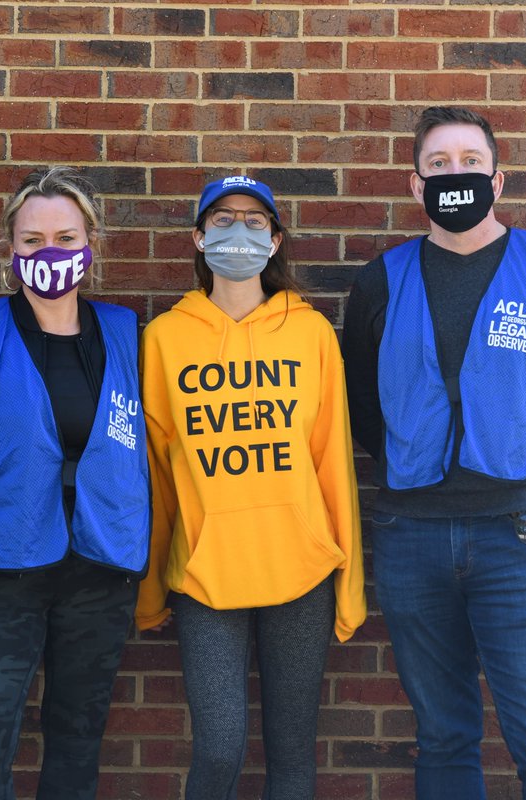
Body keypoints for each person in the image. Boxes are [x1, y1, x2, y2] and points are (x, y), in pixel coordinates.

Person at [342, 106, 526, 800]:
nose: (455, 176)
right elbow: (357, 407)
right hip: (410, 539)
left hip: (516, 538)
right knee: (443, 737)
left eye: (469, 162)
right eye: (438, 164)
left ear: (498, 179)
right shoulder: (381, 282)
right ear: (415, 186)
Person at [136, 175, 365, 799]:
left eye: (256, 221)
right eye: (223, 219)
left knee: (293, 756)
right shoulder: (163, 340)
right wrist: (152, 587)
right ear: (198, 236)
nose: (239, 231)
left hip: (302, 572)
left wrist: (349, 586)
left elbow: (333, 464)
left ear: (276, 239)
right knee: (218, 750)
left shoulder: (311, 333)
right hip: (206, 578)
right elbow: (156, 476)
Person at [0, 166, 150, 800]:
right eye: (31, 241)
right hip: (3, 573)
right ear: (11, 249)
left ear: (90, 244)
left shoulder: (125, 331)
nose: (48, 252)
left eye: (64, 237)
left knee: (78, 741)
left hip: (99, 572)